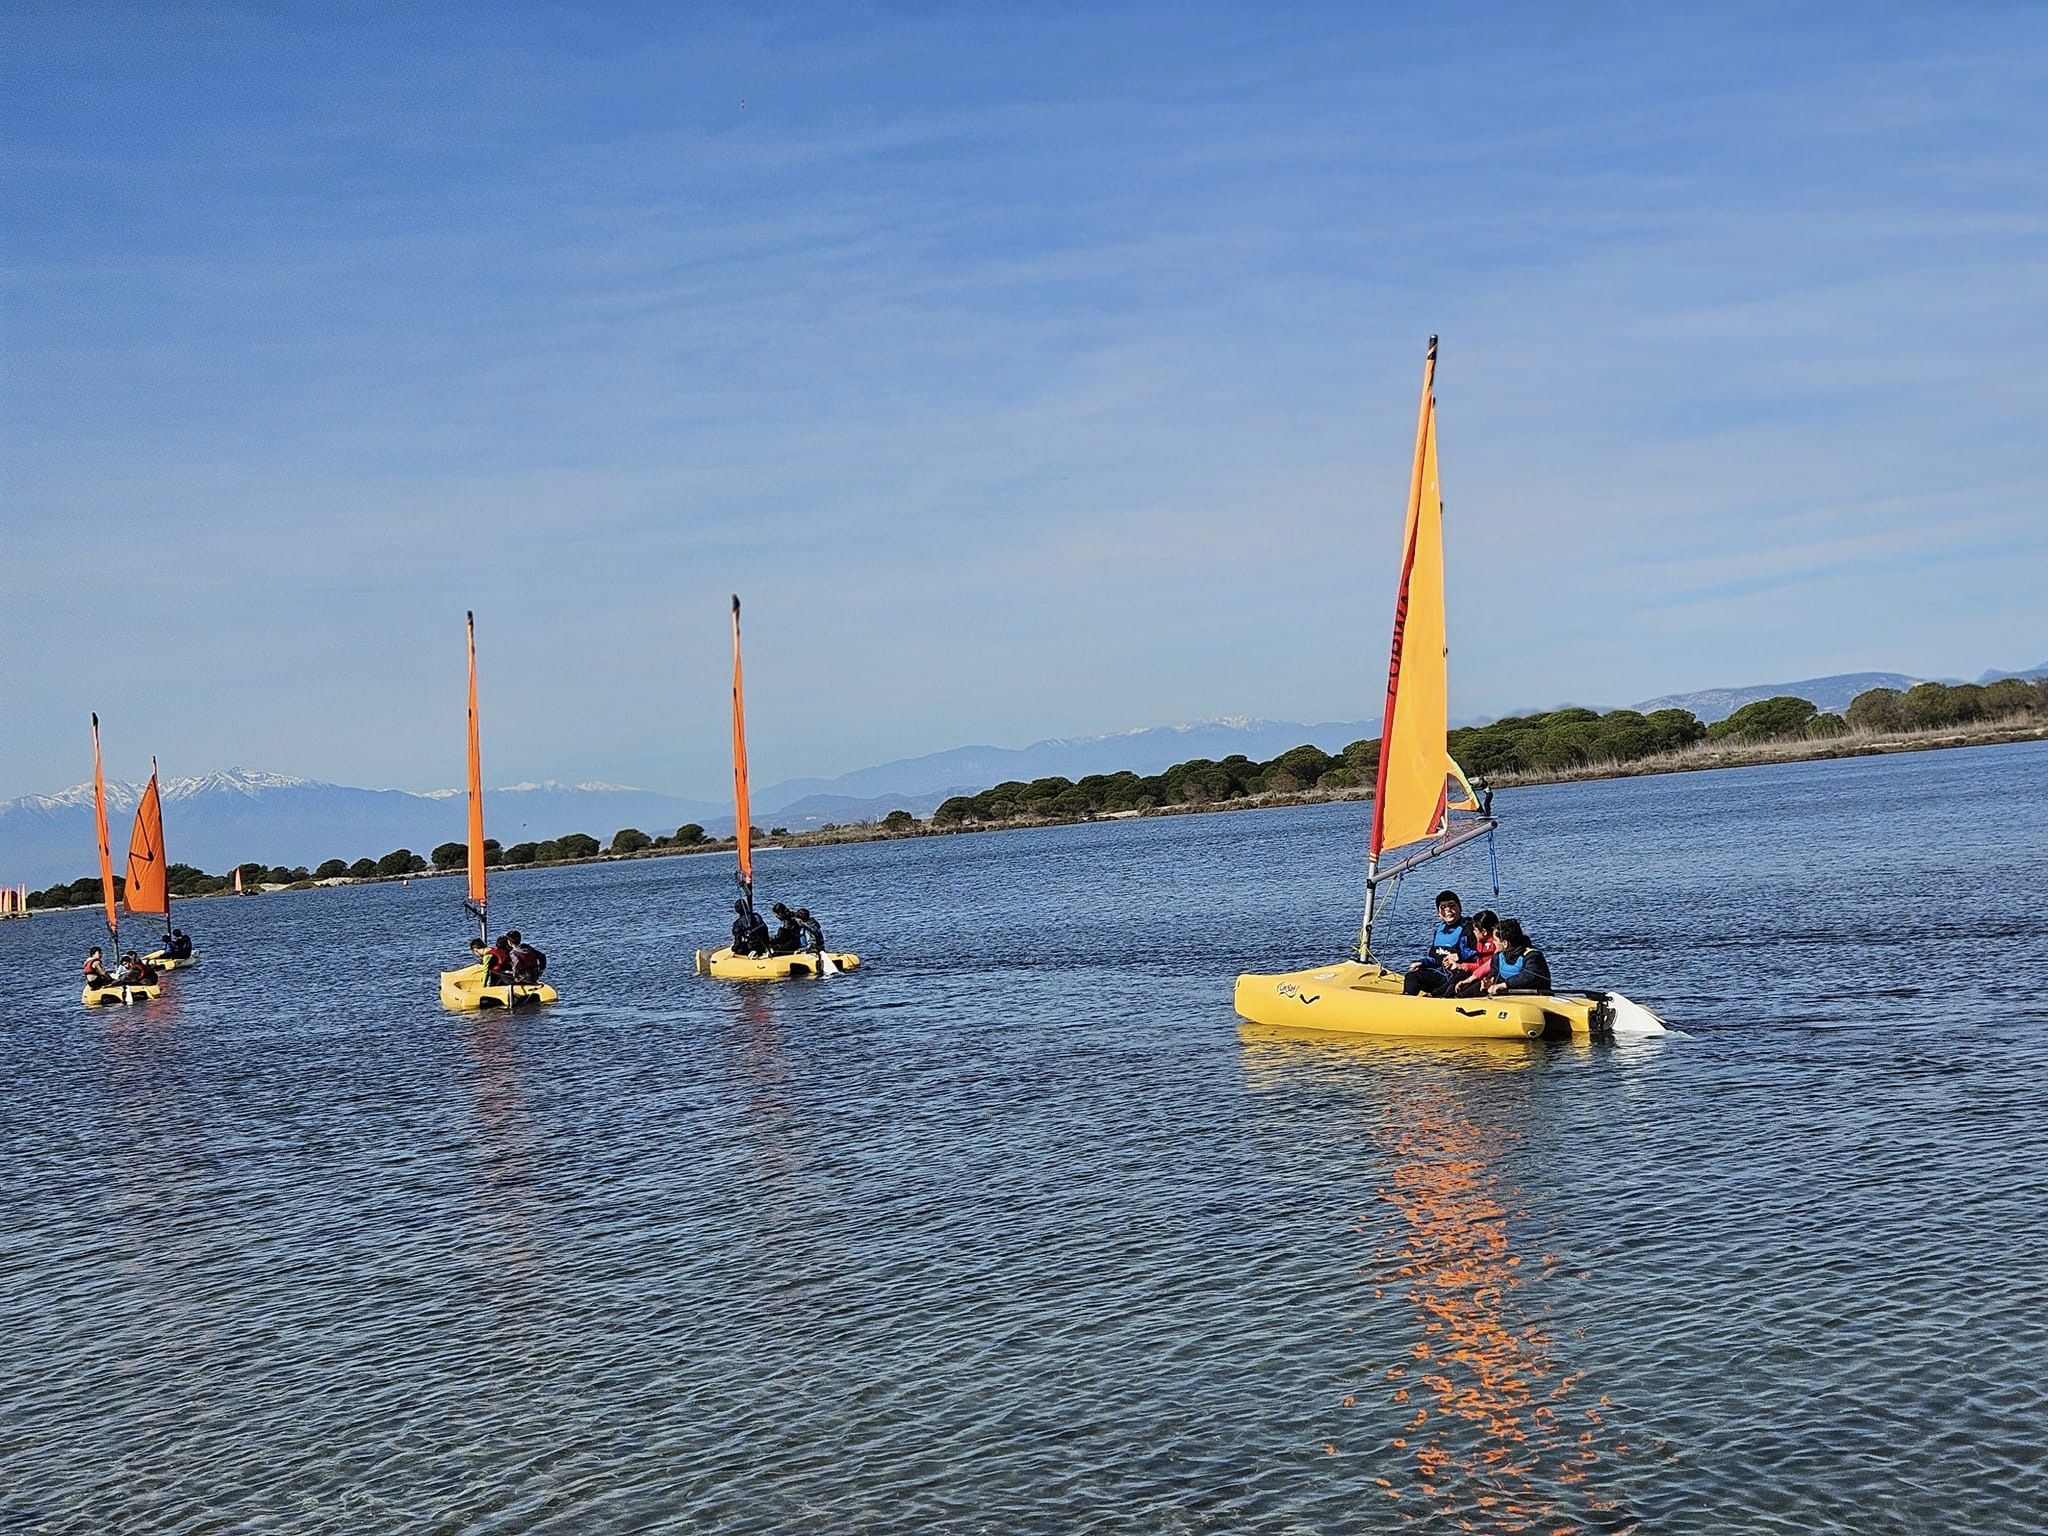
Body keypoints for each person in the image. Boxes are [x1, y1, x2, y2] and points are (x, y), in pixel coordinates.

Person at [1403, 890, 1478, 996]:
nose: (1448, 910)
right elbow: (1433, 957)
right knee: (1412, 976)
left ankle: (1436, 997)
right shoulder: (1439, 931)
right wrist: (1422, 963)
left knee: (1454, 983)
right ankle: (1407, 1000)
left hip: (1459, 974)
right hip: (1441, 974)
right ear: (1438, 913)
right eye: (1443, 907)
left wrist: (1459, 956)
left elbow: (1479, 952)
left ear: (1460, 908)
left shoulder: (1470, 928)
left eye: (1452, 906)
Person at [1483, 919, 1553, 996]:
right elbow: (1494, 973)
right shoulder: (1497, 957)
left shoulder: (1532, 956)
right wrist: (1490, 981)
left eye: (1495, 940)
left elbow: (1530, 977)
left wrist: (1504, 985)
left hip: (1534, 996)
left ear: (1505, 943)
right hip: (1508, 998)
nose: (1493, 942)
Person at [1449, 910, 1501, 996]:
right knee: (1455, 982)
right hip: (1479, 975)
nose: (1473, 932)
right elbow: (1480, 965)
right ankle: (1437, 995)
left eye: (1475, 930)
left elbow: (1489, 964)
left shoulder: (1497, 944)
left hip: (1490, 978)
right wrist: (1462, 966)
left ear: (1484, 932)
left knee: (1464, 992)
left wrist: (1465, 970)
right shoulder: (1479, 942)